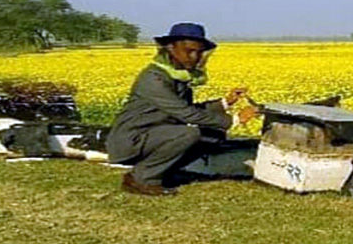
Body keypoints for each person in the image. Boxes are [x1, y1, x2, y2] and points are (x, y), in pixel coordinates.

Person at [106, 22, 257, 196]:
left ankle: (164, 172)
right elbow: (185, 113)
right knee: (189, 134)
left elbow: (186, 108)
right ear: (171, 48)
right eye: (189, 51)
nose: (195, 57)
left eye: (199, 52)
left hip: (154, 134)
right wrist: (235, 120)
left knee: (213, 136)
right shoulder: (154, 78)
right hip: (132, 139)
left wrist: (225, 102)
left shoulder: (176, 75)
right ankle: (142, 179)